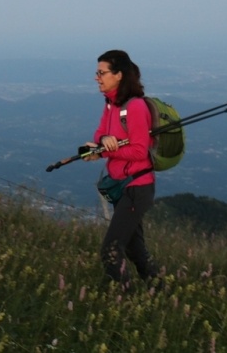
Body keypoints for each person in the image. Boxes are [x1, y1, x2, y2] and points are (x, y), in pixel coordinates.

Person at [83, 49, 161, 292]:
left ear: (118, 75)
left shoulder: (135, 107)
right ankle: (160, 292)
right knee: (136, 250)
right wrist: (103, 141)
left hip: (137, 187)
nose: (96, 77)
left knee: (111, 249)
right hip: (122, 185)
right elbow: (100, 133)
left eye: (101, 73)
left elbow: (139, 150)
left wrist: (105, 152)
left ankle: (125, 300)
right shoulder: (111, 104)